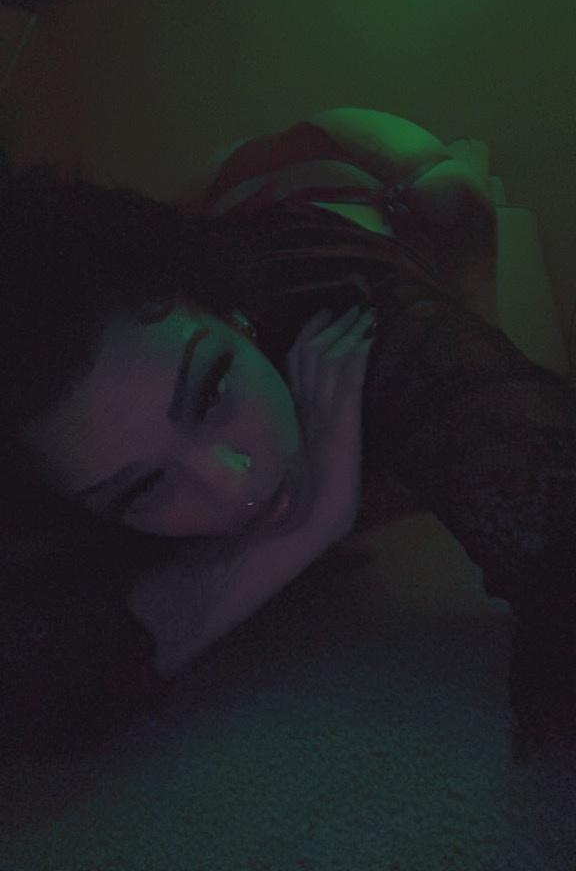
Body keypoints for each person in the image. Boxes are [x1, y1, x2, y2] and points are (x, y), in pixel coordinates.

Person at [0, 107, 574, 760]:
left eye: (211, 391)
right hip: (215, 210)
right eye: (141, 490)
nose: (234, 486)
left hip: (327, 198)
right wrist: (306, 526)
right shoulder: (58, 465)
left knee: (449, 202)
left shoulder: (353, 319)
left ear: (236, 320)